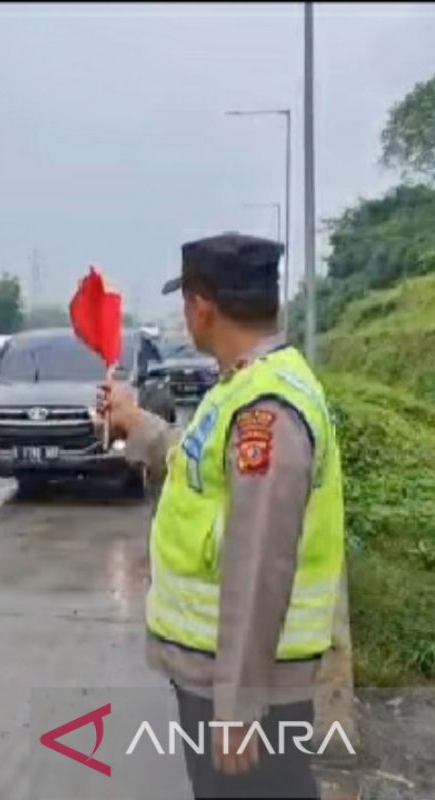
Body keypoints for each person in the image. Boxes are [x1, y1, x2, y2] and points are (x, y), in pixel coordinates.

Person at [99, 233, 345, 800]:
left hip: (247, 687)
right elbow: (200, 467)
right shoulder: (242, 385)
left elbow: (261, 561)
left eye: (186, 304)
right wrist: (136, 423)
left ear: (201, 306)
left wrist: (239, 705)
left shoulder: (268, 409)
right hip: (224, 674)